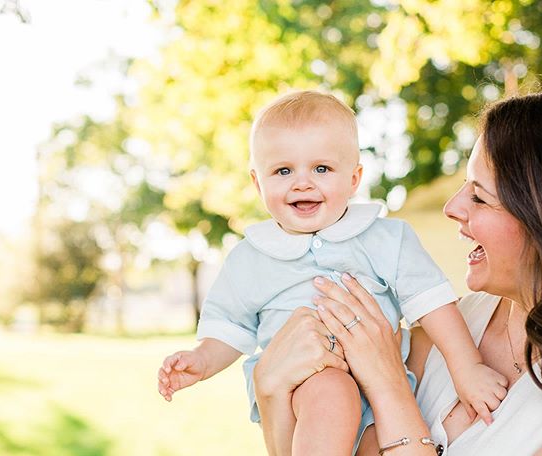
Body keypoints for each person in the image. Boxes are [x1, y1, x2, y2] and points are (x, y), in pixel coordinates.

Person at [253, 91, 542, 455]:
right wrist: (271, 393)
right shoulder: (446, 333)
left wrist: (390, 389)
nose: (452, 207)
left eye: (479, 196)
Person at [156, 90, 507, 455]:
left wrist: (467, 369)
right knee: (332, 392)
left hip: (381, 389)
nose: (302, 182)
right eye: (283, 171)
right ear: (258, 183)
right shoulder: (250, 257)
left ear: (354, 179)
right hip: (303, 390)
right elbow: (229, 329)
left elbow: (434, 304)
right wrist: (200, 360)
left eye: (321, 169)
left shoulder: (387, 237)